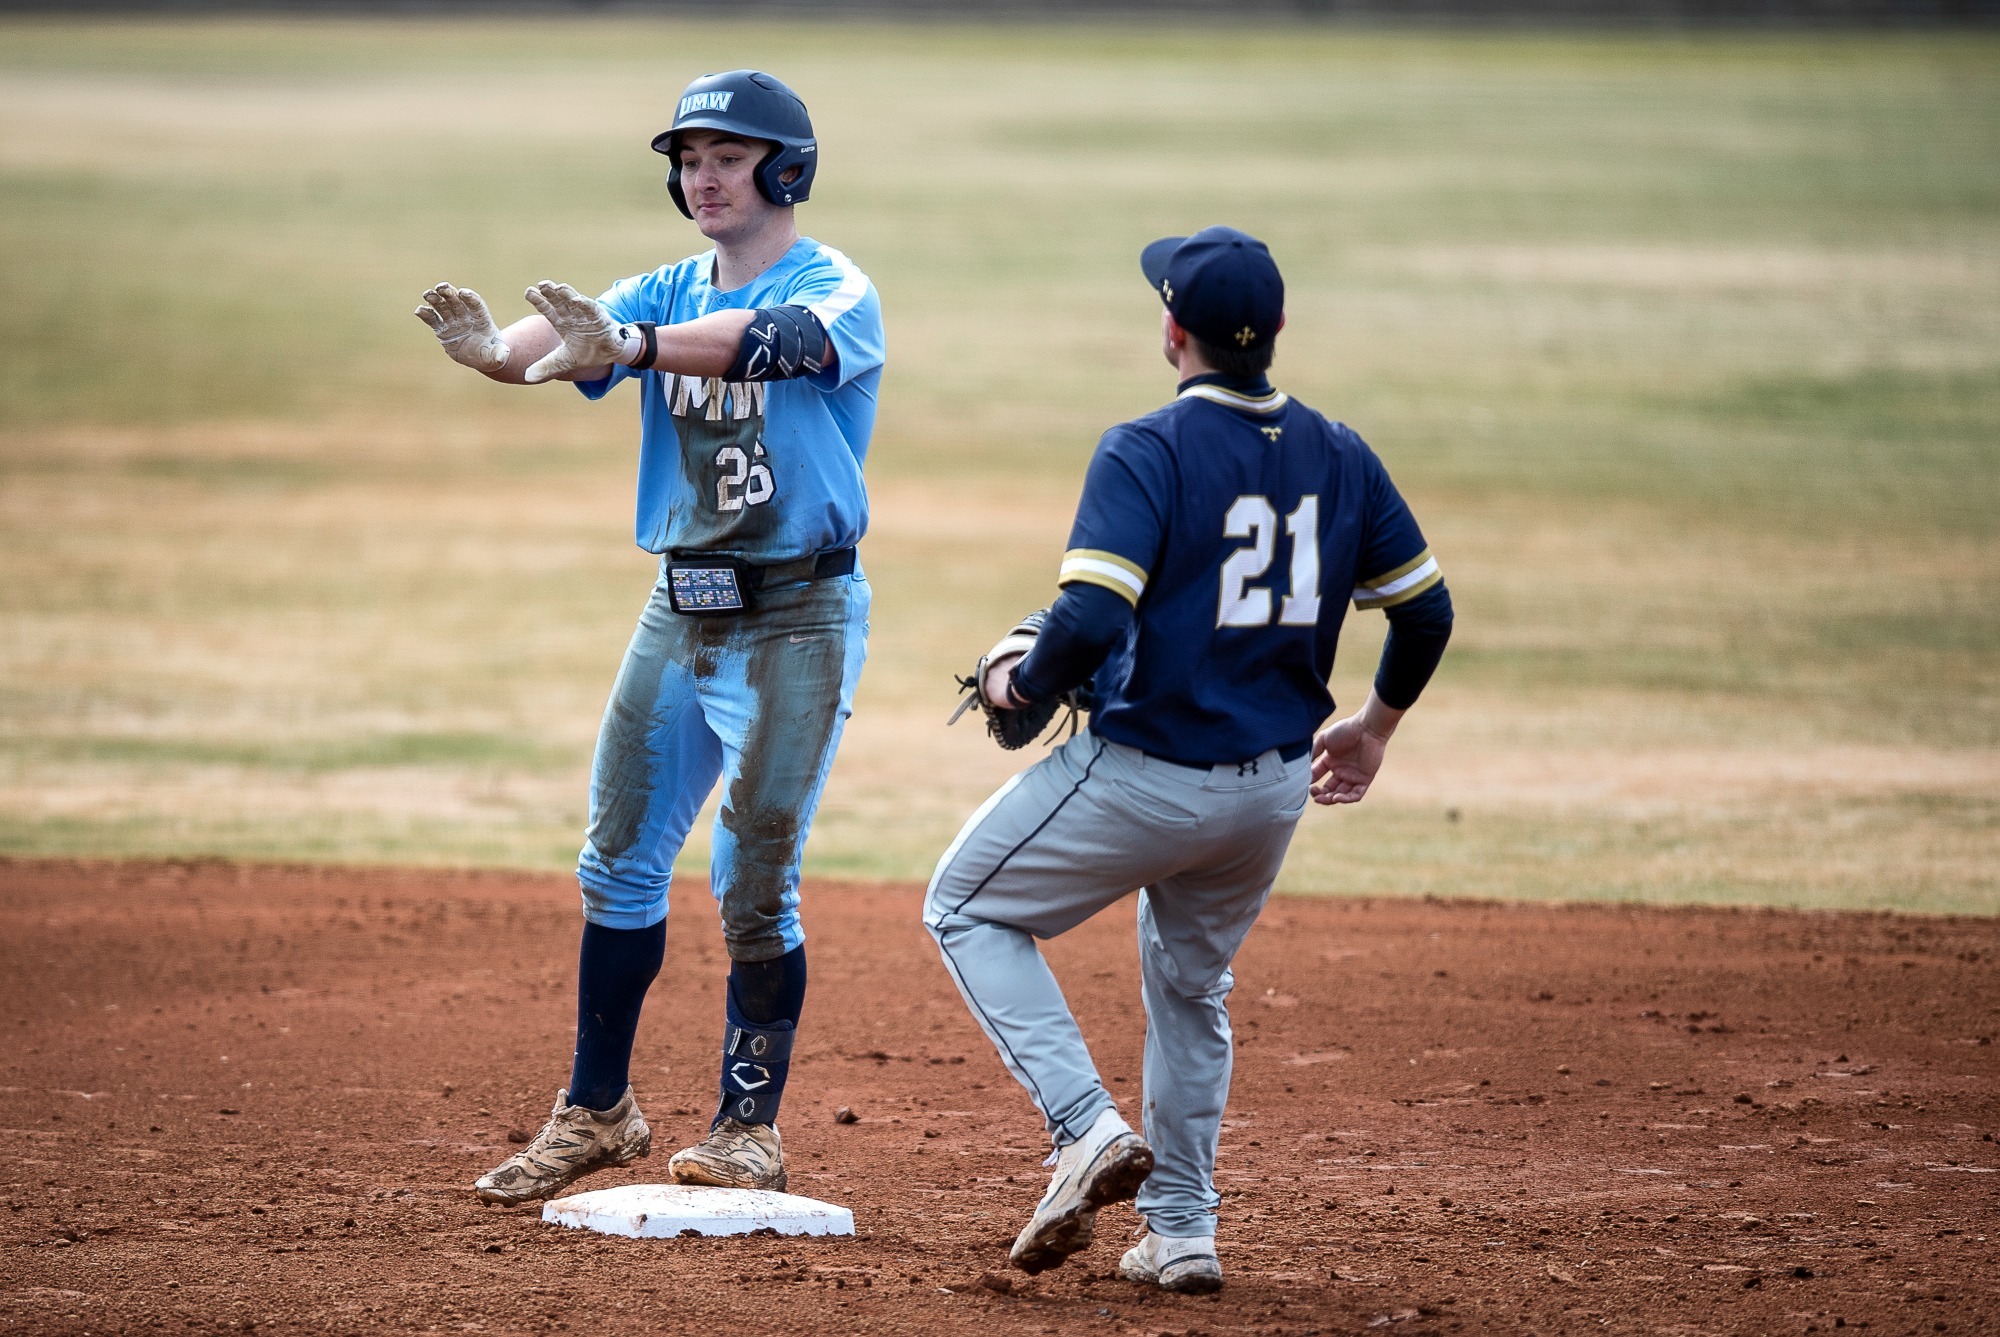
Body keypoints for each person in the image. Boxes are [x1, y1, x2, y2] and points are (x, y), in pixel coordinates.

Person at [926, 227, 1453, 1291]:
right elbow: (1425, 611)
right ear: (1279, 329)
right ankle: (1180, 1229)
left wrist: (1019, 683)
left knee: (964, 907)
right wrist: (1373, 728)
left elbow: (1088, 615)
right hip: (1270, 793)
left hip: (1146, 778)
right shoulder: (1341, 452)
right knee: (1190, 984)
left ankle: (1083, 1126)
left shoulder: (1148, 448)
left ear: (1172, 332)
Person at [414, 69, 884, 1203]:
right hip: (680, 608)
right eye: (689, 161)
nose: (703, 179)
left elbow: (760, 342)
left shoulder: (833, 286)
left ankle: (747, 1128)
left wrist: (627, 344)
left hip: (798, 616)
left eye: (728, 158)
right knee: (616, 858)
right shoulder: (661, 287)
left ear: (786, 170)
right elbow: (554, 343)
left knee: (752, 873)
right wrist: (493, 351)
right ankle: (596, 1109)